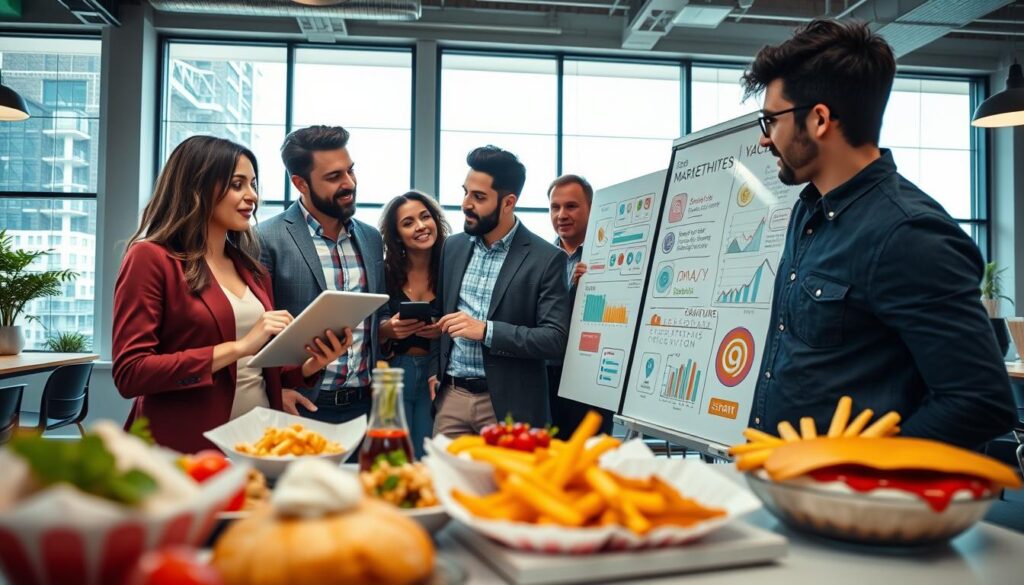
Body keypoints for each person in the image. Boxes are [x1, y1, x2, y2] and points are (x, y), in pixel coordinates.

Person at [743, 19, 1015, 448]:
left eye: (770, 120)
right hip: (786, 488)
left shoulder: (908, 234)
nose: (764, 140)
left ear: (818, 120)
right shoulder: (808, 211)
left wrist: (859, 470)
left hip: (852, 504)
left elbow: (979, 401)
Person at [113, 136, 349, 454]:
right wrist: (238, 347)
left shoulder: (250, 268)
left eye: (253, 184)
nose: (252, 196)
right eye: (237, 184)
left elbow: (259, 367)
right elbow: (132, 372)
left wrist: (311, 364)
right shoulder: (150, 258)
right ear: (196, 187)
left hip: (257, 445)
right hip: (185, 449)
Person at [429, 146, 571, 437]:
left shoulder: (546, 259)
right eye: (465, 192)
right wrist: (435, 369)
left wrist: (486, 331)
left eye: (478, 197)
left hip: (509, 407)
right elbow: (442, 318)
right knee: (444, 481)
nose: (466, 204)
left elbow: (555, 339)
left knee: (509, 484)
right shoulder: (452, 248)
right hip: (451, 399)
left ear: (508, 203)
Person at [258, 125, 389, 425]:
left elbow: (377, 313)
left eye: (350, 171)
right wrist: (279, 390)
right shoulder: (266, 238)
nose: (349, 183)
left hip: (365, 407)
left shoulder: (370, 238)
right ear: (300, 183)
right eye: (334, 177)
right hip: (301, 404)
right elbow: (256, 329)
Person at [379, 190, 450, 458]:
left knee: (426, 456)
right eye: (408, 223)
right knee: (391, 455)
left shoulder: (451, 269)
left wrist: (441, 327)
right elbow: (369, 323)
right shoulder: (384, 272)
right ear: (397, 234)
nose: (420, 226)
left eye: (425, 217)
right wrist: (386, 330)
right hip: (393, 372)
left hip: (434, 375)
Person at [545, 174, 614, 433]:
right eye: (555, 207)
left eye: (571, 206)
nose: (561, 214)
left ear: (591, 208)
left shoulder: (608, 258)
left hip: (590, 377)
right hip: (545, 375)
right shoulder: (539, 258)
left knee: (591, 456)